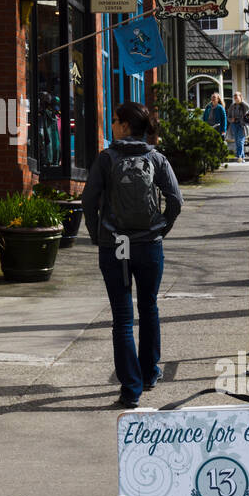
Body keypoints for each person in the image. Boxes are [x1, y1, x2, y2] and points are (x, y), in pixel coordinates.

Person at [81, 102, 182, 409]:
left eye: (114, 121)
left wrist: (98, 235)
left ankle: (130, 390)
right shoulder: (156, 158)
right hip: (148, 245)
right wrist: (159, 230)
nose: (111, 126)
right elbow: (175, 200)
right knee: (149, 307)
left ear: (125, 126)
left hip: (115, 244)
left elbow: (88, 200)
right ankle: (150, 372)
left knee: (123, 318)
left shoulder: (106, 158)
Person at [226, 93, 249, 160]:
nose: (235, 97)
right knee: (237, 141)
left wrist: (241, 101)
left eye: (236, 96)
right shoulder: (232, 106)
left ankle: (239, 156)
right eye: (234, 96)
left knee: (240, 141)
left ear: (240, 96)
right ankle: (241, 157)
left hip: (242, 125)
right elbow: (228, 116)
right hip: (234, 125)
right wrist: (231, 119)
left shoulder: (244, 105)